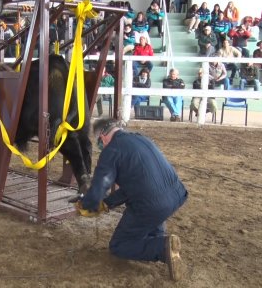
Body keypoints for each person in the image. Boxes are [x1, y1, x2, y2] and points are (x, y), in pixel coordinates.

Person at [79, 118, 188, 281]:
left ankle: (162, 248)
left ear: (102, 136)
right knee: (149, 217)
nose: (100, 145)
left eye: (98, 142)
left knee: (119, 246)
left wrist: (87, 204)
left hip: (153, 204)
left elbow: (100, 186)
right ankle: (161, 240)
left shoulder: (111, 151)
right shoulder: (141, 138)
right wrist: (107, 204)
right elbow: (136, 183)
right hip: (176, 195)